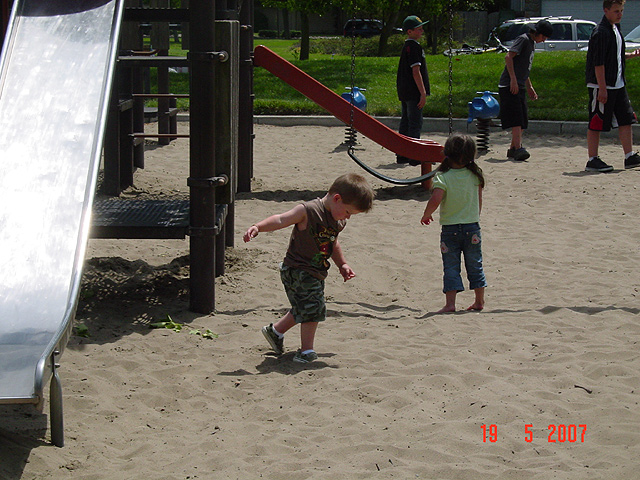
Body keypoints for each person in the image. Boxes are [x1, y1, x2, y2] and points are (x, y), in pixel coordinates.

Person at [243, 173, 375, 363]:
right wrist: (258, 227)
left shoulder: (337, 220)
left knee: (304, 306)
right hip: (297, 269)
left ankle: (275, 331)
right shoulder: (308, 210)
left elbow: (333, 243)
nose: (348, 217)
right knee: (314, 308)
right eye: (348, 212)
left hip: (316, 272)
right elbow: (280, 219)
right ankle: (306, 351)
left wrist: (342, 264)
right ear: (337, 198)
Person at [420, 134, 487, 313]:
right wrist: (474, 216)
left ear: (447, 153)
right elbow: (479, 200)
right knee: (475, 264)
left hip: (450, 229)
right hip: (472, 226)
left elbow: (436, 198)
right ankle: (479, 300)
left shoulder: (443, 176)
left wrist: (427, 214)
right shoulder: (475, 175)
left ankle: (450, 304)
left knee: (451, 266)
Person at [585, 0, 640, 173]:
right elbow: (598, 62)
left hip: (618, 84)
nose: (620, 14)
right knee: (597, 120)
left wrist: (629, 55)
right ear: (606, 10)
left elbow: (614, 54)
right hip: (602, 84)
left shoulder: (615, 28)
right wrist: (602, 88)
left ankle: (629, 156)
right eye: (616, 11)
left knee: (626, 119)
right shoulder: (600, 32)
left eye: (621, 10)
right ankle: (592, 159)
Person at [498, 19, 553, 161]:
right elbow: (508, 57)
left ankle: (512, 149)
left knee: (522, 120)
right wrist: (513, 79)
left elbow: (523, 68)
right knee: (516, 119)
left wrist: (529, 87)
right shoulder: (523, 39)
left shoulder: (531, 43)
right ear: (536, 32)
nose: (544, 40)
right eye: (543, 37)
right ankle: (518, 148)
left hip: (520, 85)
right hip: (509, 85)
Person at [396, 15, 430, 166]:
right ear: (409, 31)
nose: (422, 31)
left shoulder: (407, 47)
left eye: (422, 28)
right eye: (419, 29)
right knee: (415, 123)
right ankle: (414, 156)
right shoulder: (415, 47)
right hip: (414, 91)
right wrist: (423, 93)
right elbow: (416, 71)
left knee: (405, 122)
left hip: (405, 90)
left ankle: (402, 154)